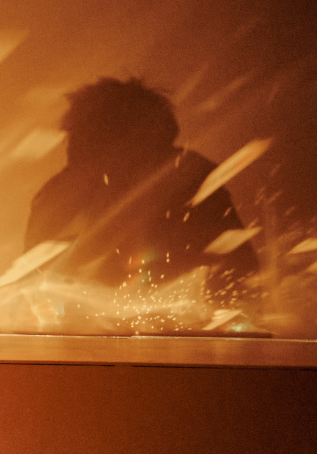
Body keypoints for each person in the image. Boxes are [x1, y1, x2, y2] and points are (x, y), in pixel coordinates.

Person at [25, 77, 257, 331]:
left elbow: (239, 277)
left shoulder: (190, 178)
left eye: (75, 136)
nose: (69, 148)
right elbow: (33, 290)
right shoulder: (61, 194)